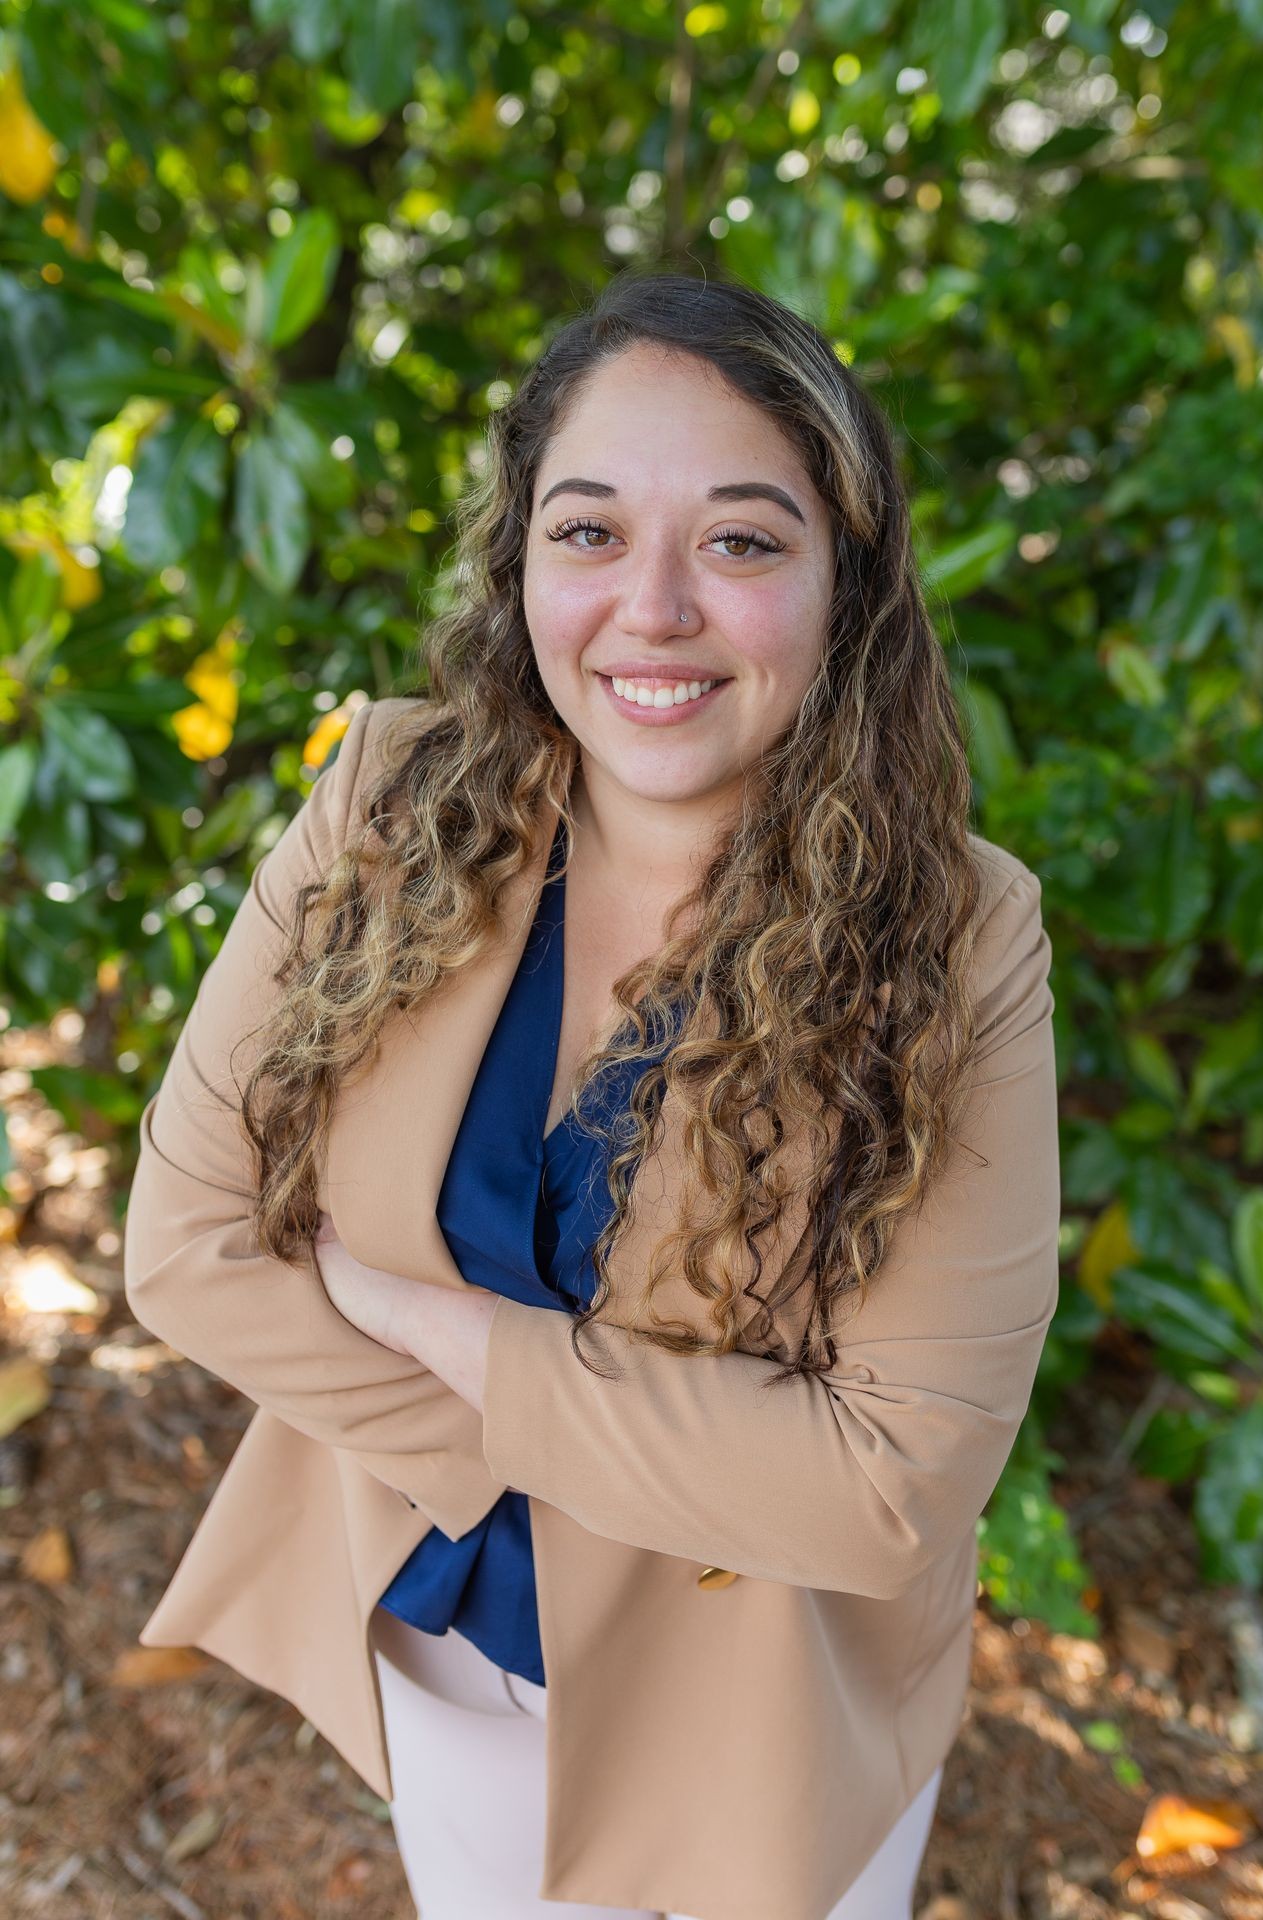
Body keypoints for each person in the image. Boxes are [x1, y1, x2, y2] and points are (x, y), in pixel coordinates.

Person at [124, 267, 1060, 1920]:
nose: (655, 608)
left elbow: (886, 1488)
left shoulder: (960, 934)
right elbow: (189, 1250)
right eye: (591, 530)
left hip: (767, 1730)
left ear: (847, 583)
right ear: (521, 561)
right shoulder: (391, 802)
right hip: (443, 1656)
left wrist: (440, 1332)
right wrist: (606, 1463)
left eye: (744, 540)